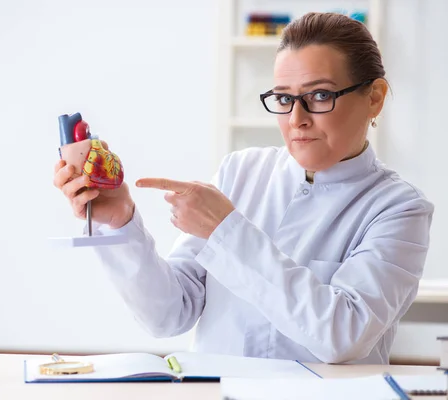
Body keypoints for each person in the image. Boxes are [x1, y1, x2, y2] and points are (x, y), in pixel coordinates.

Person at [53, 12, 434, 365]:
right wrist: (121, 222)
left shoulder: (400, 208)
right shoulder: (242, 171)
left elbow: (341, 336)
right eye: (284, 98)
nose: (296, 119)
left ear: (375, 97)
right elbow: (168, 315)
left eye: (319, 95)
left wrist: (226, 230)